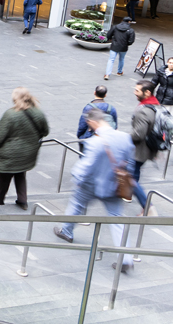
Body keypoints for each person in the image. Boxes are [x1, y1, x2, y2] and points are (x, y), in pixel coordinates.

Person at [53, 108, 136, 274]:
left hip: (91, 184)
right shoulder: (125, 137)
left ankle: (67, 231)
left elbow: (86, 166)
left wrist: (76, 178)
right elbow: (131, 163)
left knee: (76, 205)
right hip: (114, 186)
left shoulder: (95, 142)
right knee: (117, 219)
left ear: (93, 122)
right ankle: (126, 258)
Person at [0, 87, 49, 210]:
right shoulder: (38, 113)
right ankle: (22, 201)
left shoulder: (10, 114)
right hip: (28, 152)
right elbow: (45, 131)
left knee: (4, 177)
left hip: (10, 153)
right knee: (20, 174)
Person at [130, 80, 160, 215]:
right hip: (148, 150)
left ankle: (148, 206)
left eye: (137, 90)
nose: (134, 92)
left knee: (130, 178)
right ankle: (144, 206)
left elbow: (138, 135)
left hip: (138, 151)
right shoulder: (155, 105)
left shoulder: (143, 111)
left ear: (147, 93)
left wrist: (123, 138)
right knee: (133, 176)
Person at [77, 85, 118, 153]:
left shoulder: (88, 108)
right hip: (106, 139)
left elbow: (82, 125)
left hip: (90, 137)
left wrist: (80, 136)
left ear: (94, 92)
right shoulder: (111, 108)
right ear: (105, 95)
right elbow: (115, 125)